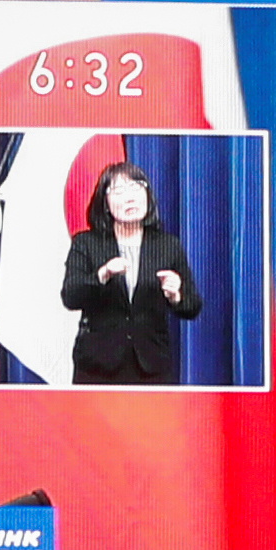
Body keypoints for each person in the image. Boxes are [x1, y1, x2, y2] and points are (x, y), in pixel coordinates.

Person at [57, 157, 205, 383]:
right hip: (98, 365)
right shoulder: (86, 243)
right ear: (104, 203)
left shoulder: (167, 245)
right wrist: (103, 275)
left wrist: (176, 295)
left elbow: (192, 307)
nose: (129, 197)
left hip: (151, 365)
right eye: (118, 191)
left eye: (136, 187)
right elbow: (70, 296)